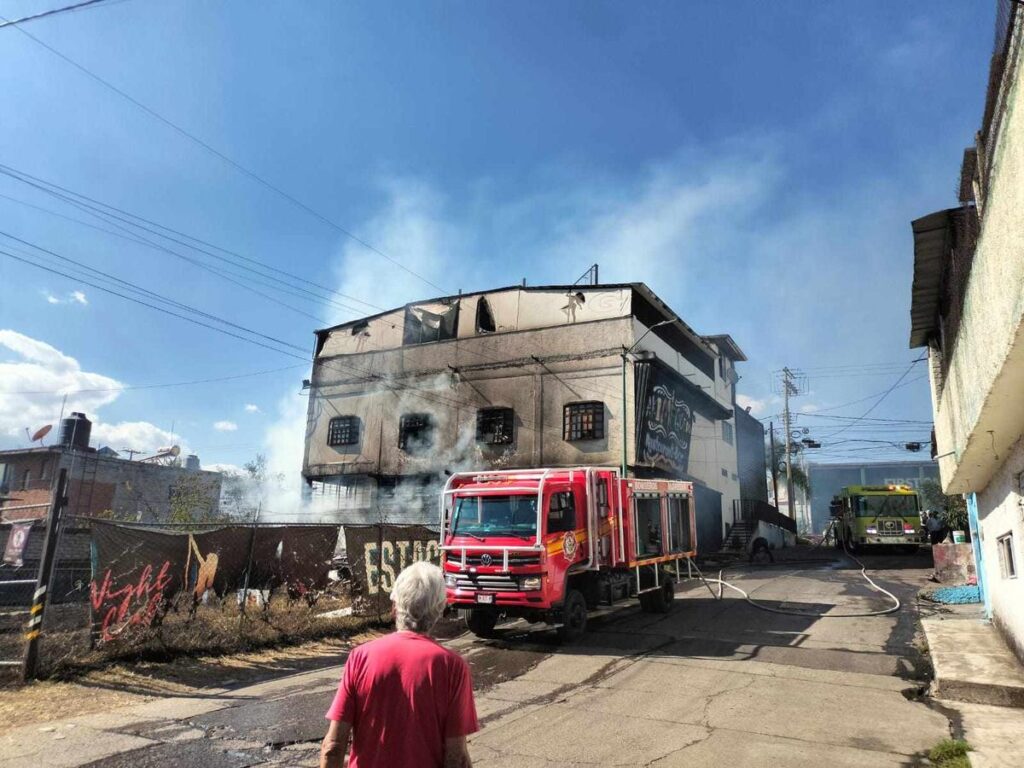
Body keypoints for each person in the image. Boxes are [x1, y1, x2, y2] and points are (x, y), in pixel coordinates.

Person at [320, 561, 478, 768]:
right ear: (440, 610)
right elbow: (456, 758)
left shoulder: (360, 657)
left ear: (394, 607)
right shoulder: (453, 667)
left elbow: (333, 746)